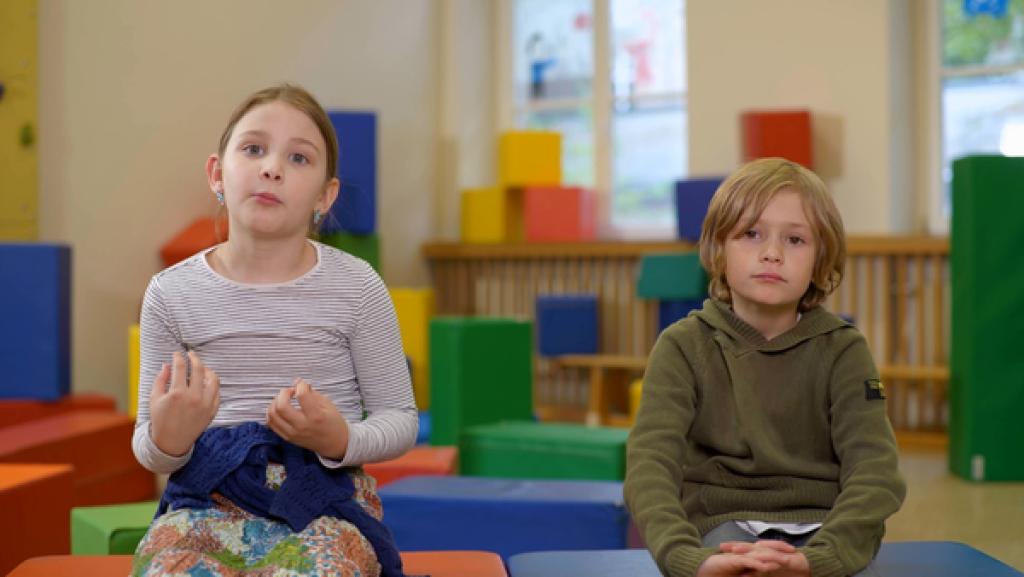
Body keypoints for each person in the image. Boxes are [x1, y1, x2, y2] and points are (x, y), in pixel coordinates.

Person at [131, 84, 417, 577]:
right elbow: (149, 446)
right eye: (253, 149)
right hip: (205, 501)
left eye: (299, 158)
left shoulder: (357, 286)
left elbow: (400, 419)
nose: (272, 167)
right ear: (218, 174)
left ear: (325, 197)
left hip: (323, 503)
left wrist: (340, 439)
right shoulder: (170, 292)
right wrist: (170, 438)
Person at [624, 158, 906, 577]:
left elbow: (875, 471)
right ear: (719, 250)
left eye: (795, 240)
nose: (772, 253)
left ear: (820, 259)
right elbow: (650, 466)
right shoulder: (683, 346)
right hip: (720, 526)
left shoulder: (844, 350)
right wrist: (687, 558)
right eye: (751, 234)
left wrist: (821, 557)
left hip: (824, 529)